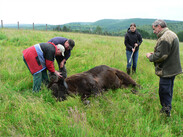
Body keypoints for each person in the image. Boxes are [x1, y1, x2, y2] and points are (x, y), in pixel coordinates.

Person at [146, 19, 182, 117]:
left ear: (159, 26)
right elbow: (166, 52)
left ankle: (166, 112)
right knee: (168, 90)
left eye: (154, 29)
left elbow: (161, 56)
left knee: (164, 91)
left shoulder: (165, 37)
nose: (153, 31)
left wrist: (150, 56)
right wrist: (157, 53)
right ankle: (167, 108)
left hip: (167, 70)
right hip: (173, 68)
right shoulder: (171, 34)